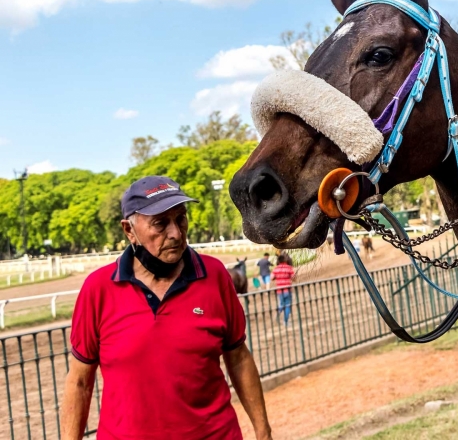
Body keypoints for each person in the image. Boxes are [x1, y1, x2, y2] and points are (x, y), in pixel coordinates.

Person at [61, 176, 272, 440]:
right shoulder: (98, 289)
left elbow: (238, 358)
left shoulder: (215, 275)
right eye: (160, 223)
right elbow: (79, 382)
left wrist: (263, 432)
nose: (175, 232)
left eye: (180, 218)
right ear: (129, 230)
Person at [272, 252, 295, 327]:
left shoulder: (276, 269)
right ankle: (285, 321)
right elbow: (293, 278)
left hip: (279, 290)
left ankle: (278, 315)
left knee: (282, 304)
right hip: (287, 289)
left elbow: (272, 278)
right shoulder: (289, 268)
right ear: (285, 260)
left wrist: (277, 277)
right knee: (287, 305)